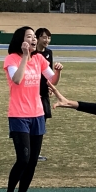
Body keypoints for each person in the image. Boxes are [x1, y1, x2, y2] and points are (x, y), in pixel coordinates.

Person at [2, 26, 62, 192]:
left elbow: (52, 79)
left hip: (37, 114)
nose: (34, 39)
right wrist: (25, 56)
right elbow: (17, 79)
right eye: (30, 36)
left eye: (35, 36)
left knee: (33, 161)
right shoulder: (12, 59)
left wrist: (58, 71)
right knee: (23, 159)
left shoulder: (40, 59)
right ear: (21, 40)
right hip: (19, 114)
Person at [34, 28, 63, 162]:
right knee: (31, 122)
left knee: (41, 122)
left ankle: (36, 152)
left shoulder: (49, 53)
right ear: (37, 38)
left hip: (44, 92)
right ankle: (29, 150)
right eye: (44, 37)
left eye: (49, 38)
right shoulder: (31, 53)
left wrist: (51, 87)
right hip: (32, 91)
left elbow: (49, 72)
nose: (47, 40)